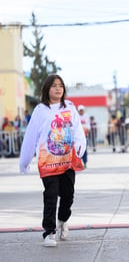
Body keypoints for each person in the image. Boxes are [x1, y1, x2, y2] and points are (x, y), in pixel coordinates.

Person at [19, 74, 86, 247]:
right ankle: (49, 232)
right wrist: (24, 162)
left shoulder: (69, 107)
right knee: (50, 195)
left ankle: (62, 220)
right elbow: (31, 137)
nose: (58, 88)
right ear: (47, 89)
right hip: (48, 161)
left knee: (68, 195)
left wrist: (80, 147)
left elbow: (78, 131)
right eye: (54, 85)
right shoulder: (40, 110)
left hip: (68, 160)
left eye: (61, 85)